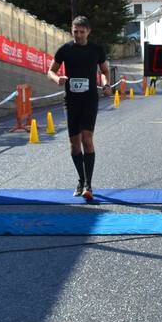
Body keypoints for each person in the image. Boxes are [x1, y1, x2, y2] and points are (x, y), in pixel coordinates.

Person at [47, 16, 112, 202]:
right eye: (75, 31)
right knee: (74, 143)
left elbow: (105, 71)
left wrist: (106, 84)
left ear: (88, 32)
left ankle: (88, 184)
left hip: (90, 99)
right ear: (72, 31)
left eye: (82, 32)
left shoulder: (96, 50)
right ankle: (81, 179)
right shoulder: (65, 49)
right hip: (72, 101)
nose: (79, 35)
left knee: (87, 139)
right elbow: (50, 70)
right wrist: (56, 79)